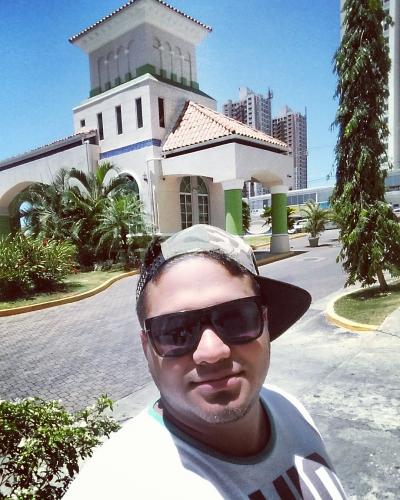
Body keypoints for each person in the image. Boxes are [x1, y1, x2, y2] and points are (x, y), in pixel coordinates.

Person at [64, 224, 346, 499]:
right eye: (176, 331)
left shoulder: (290, 409)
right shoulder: (111, 487)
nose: (212, 352)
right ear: (147, 348)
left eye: (236, 318)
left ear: (265, 322)